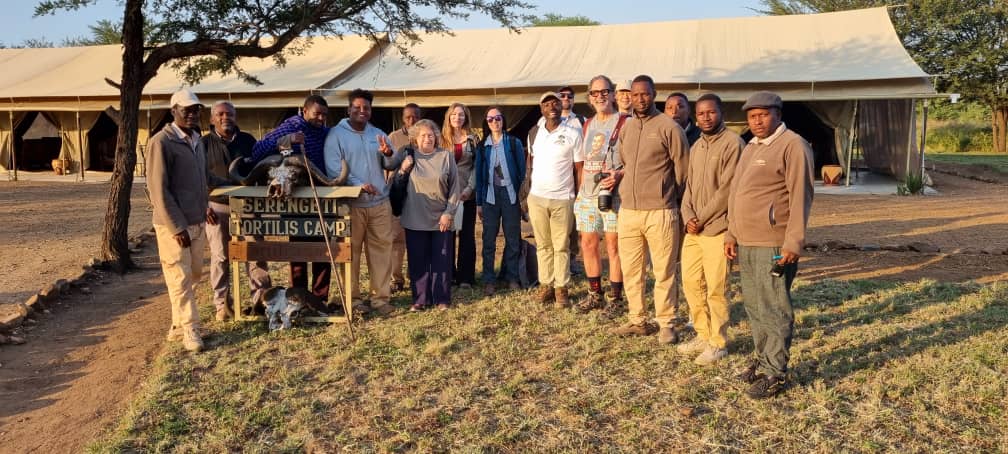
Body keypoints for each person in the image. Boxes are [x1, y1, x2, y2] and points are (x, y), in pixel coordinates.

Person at [725, 91, 814, 399]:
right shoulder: (750, 146)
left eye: (763, 115)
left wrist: (793, 241)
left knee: (774, 306)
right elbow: (737, 193)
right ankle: (762, 359)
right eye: (752, 116)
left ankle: (775, 373)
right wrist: (731, 233)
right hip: (747, 241)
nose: (757, 121)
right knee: (754, 304)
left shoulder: (793, 146)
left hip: (774, 243)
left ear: (777, 113)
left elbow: (801, 196)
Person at [609, 75, 689, 344]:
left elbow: (682, 171)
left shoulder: (669, 127)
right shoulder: (628, 128)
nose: (640, 99)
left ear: (654, 95)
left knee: (664, 269)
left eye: (645, 94)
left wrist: (669, 197)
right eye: (635, 94)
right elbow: (625, 163)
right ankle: (638, 320)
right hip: (629, 210)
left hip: (661, 210)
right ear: (629, 96)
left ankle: (666, 322)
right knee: (632, 269)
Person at [676, 93, 743, 365]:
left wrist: (701, 217)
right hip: (694, 230)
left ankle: (718, 342)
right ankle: (703, 334)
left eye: (711, 112)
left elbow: (728, 189)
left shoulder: (733, 144)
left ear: (721, 113)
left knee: (717, 288)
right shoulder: (697, 147)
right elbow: (689, 187)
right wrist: (688, 215)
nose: (705, 117)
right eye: (701, 113)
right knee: (691, 283)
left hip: (716, 228)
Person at [325, 88, 402, 316]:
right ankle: (353, 300)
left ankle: (380, 299)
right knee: (351, 253)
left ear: (371, 110)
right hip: (351, 205)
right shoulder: (336, 135)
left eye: (366, 108)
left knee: (381, 251)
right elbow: (334, 169)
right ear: (348, 109)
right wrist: (358, 185)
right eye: (357, 107)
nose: (362, 111)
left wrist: (388, 153)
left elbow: (391, 163)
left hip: (379, 203)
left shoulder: (377, 133)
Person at [147, 88, 211, 352]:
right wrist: (176, 225)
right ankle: (190, 329)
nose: (193, 114)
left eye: (196, 109)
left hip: (197, 220)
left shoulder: (196, 139)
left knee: (194, 273)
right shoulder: (161, 142)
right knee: (180, 275)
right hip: (173, 224)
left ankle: (176, 324)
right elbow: (158, 189)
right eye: (187, 109)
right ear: (174, 111)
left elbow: (204, 178)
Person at [250, 95, 332, 302]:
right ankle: (299, 297)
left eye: (324, 114)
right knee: (298, 249)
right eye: (317, 114)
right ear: (304, 111)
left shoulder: (325, 132)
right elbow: (258, 150)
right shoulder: (291, 126)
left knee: (324, 249)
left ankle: (319, 299)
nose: (321, 118)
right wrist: (287, 141)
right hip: (295, 199)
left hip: (320, 194)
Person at [202, 100, 272, 322]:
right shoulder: (202, 144)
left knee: (255, 252)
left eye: (230, 114)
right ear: (212, 119)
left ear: (235, 117)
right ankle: (222, 304)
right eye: (221, 114)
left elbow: (261, 169)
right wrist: (202, 205)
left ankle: (260, 299)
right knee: (220, 256)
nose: (226, 118)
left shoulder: (248, 141)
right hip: (217, 206)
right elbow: (194, 177)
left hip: (248, 205)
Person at [574, 75, 627, 313]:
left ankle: (617, 298)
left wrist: (618, 175)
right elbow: (583, 161)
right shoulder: (587, 124)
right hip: (587, 193)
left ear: (613, 94)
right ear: (589, 98)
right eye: (594, 93)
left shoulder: (625, 122)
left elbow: (635, 161)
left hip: (614, 194)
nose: (600, 97)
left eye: (604, 92)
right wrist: (579, 192)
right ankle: (595, 294)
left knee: (614, 246)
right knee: (588, 243)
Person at [395, 119, 461, 311]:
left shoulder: (446, 156)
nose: (427, 138)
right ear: (416, 138)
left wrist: (449, 213)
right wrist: (402, 169)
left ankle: (442, 298)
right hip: (415, 217)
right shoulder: (409, 157)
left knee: (442, 259)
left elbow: (455, 188)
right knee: (418, 260)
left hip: (441, 218)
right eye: (423, 135)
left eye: (431, 135)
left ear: (436, 137)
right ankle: (420, 299)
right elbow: (396, 181)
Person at [527, 92, 584, 308]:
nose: (551, 106)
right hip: (538, 198)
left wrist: (578, 196)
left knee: (561, 245)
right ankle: (546, 285)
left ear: (561, 107)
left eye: (555, 103)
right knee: (543, 244)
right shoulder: (534, 132)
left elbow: (579, 168)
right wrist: (528, 192)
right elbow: (530, 163)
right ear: (541, 108)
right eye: (546, 104)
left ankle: (562, 288)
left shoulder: (573, 133)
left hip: (563, 198)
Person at [475, 107, 526, 295]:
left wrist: (522, 199)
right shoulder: (482, 147)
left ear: (503, 120)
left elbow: (522, 173)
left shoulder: (513, 143)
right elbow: (479, 177)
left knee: (513, 238)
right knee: (489, 238)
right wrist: (479, 203)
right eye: (490, 119)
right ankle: (489, 279)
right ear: (486, 123)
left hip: (511, 194)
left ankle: (512, 277)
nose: (494, 122)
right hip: (490, 196)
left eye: (497, 118)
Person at [441, 103, 478, 289]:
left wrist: (470, 188)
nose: (458, 118)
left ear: (466, 118)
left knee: (467, 236)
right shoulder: (440, 140)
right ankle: (447, 275)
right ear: (449, 117)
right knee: (446, 236)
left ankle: (465, 277)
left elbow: (476, 167)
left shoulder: (473, 139)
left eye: (461, 115)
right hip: (446, 196)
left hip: (466, 195)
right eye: (454, 114)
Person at [387, 103, 421, 294]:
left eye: (415, 116)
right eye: (408, 117)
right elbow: (387, 166)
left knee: (415, 238)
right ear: (402, 118)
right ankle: (396, 279)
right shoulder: (393, 137)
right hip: (397, 194)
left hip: (418, 196)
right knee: (397, 239)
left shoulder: (425, 136)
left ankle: (414, 275)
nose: (412, 120)